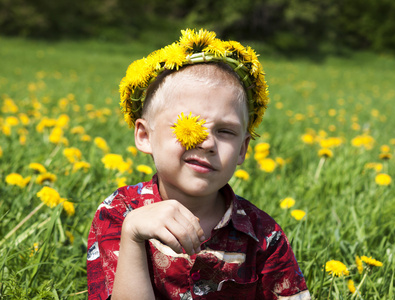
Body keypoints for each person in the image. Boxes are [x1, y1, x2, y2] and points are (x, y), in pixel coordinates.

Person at [87, 28, 310, 300]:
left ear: (242, 150)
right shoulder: (119, 214)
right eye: (188, 126)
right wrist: (133, 236)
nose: (207, 143)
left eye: (225, 131)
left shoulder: (263, 236)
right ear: (145, 136)